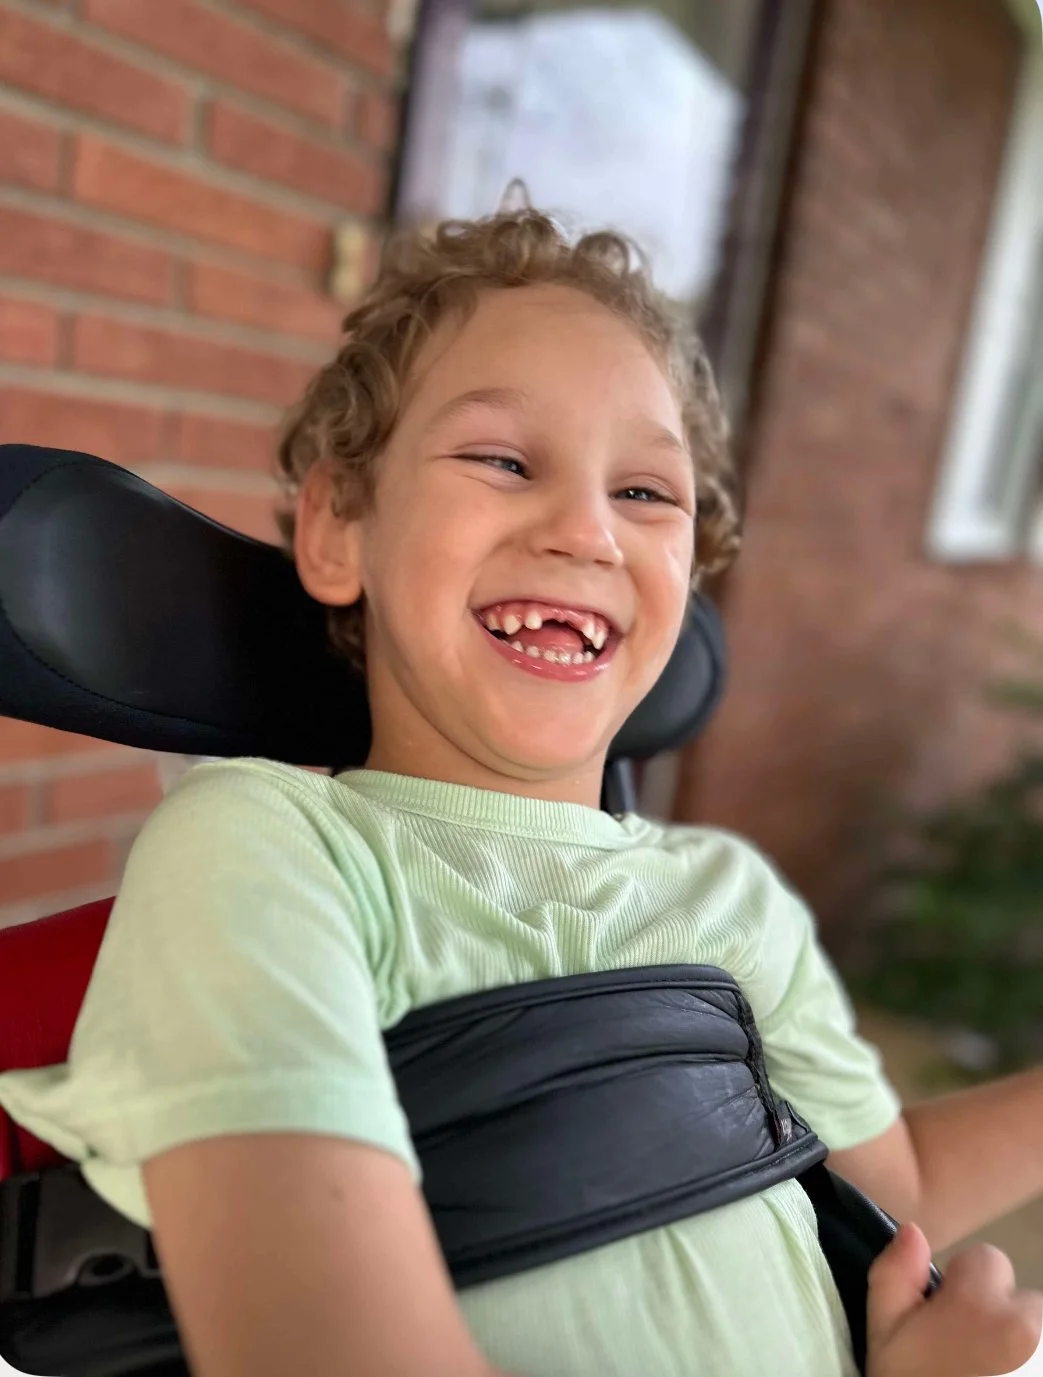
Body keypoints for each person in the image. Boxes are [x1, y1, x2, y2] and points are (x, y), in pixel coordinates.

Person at [0, 209, 1039, 1377]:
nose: (587, 530)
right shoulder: (268, 851)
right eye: (502, 460)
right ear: (341, 525)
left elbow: (902, 1192)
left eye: (648, 493)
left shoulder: (726, 897)